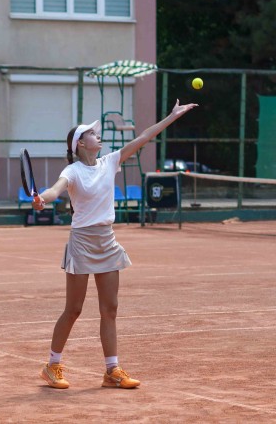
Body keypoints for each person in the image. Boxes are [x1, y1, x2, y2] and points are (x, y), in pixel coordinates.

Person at [34, 100, 198, 389]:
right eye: (91, 134)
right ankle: (52, 366)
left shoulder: (110, 162)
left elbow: (144, 137)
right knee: (73, 309)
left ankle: (112, 371)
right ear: (80, 144)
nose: (97, 136)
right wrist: (41, 200)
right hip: (82, 242)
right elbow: (55, 190)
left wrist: (172, 117)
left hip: (107, 241)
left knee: (110, 308)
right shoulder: (73, 171)